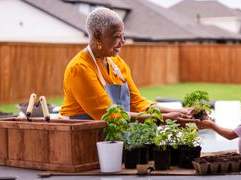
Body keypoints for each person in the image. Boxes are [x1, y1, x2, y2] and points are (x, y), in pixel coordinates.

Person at [59, 7, 193, 123]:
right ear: (98, 35)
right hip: (81, 140)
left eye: (123, 35)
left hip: (112, 139)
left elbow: (137, 102)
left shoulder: (117, 64)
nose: (122, 41)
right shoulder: (80, 68)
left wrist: (181, 111)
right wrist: (161, 118)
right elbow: (110, 116)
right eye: (117, 36)